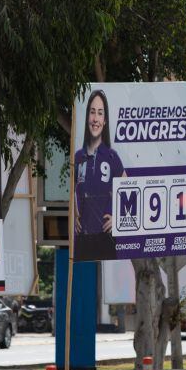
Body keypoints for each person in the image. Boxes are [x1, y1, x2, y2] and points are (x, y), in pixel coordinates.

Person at [74, 90, 125, 259]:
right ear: (87, 117)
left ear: (105, 121)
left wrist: (117, 218)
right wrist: (74, 215)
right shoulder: (78, 157)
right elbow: (71, 191)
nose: (95, 118)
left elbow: (129, 190)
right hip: (83, 239)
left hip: (106, 240)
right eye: (92, 112)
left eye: (100, 113)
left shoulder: (112, 156)